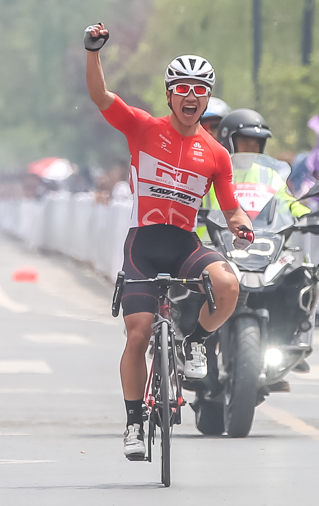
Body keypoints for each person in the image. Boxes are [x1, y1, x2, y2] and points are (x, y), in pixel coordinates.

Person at [84, 23, 254, 460]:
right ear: (169, 95)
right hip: (144, 243)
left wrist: (240, 222)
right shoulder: (142, 128)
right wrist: (93, 53)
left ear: (207, 97)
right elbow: (102, 98)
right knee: (138, 334)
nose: (191, 97)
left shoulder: (215, 152)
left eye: (200, 89)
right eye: (183, 89)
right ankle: (134, 424)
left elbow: (230, 204)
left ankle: (195, 339)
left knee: (229, 285)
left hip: (184, 244)